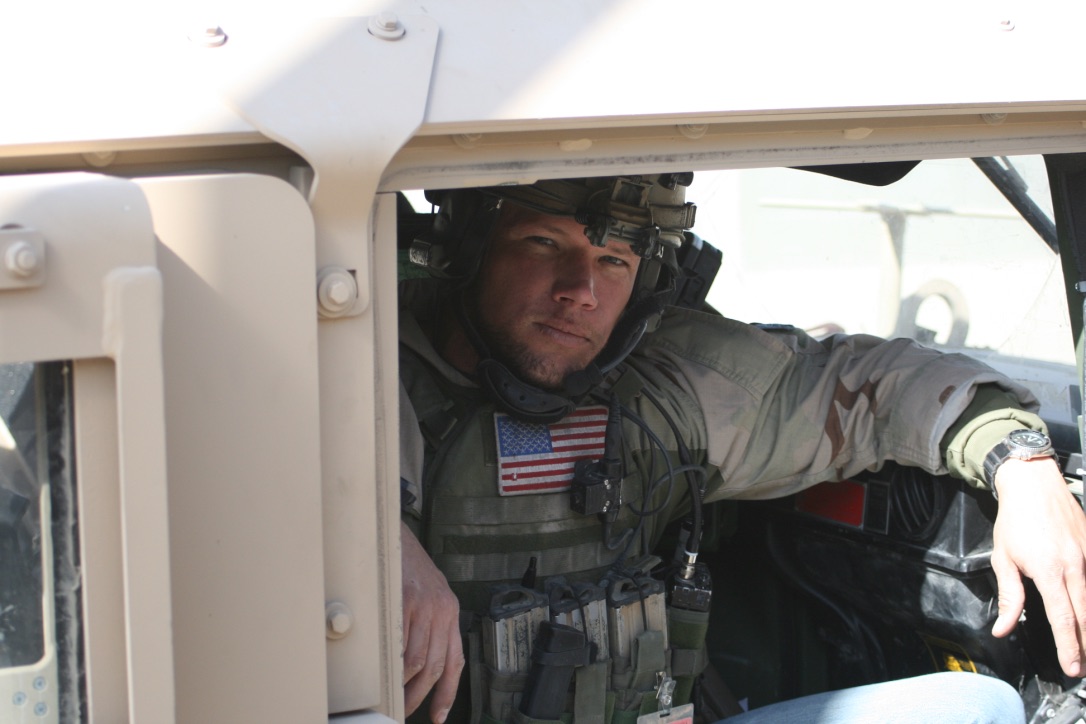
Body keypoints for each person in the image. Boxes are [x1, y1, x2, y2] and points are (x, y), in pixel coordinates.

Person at [398, 174, 1086, 724]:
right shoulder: (363, 382)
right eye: (544, 243)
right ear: (473, 246)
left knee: (978, 708)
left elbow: (869, 387)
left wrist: (1023, 465)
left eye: (613, 259)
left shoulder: (662, 389)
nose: (581, 291)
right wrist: (381, 544)